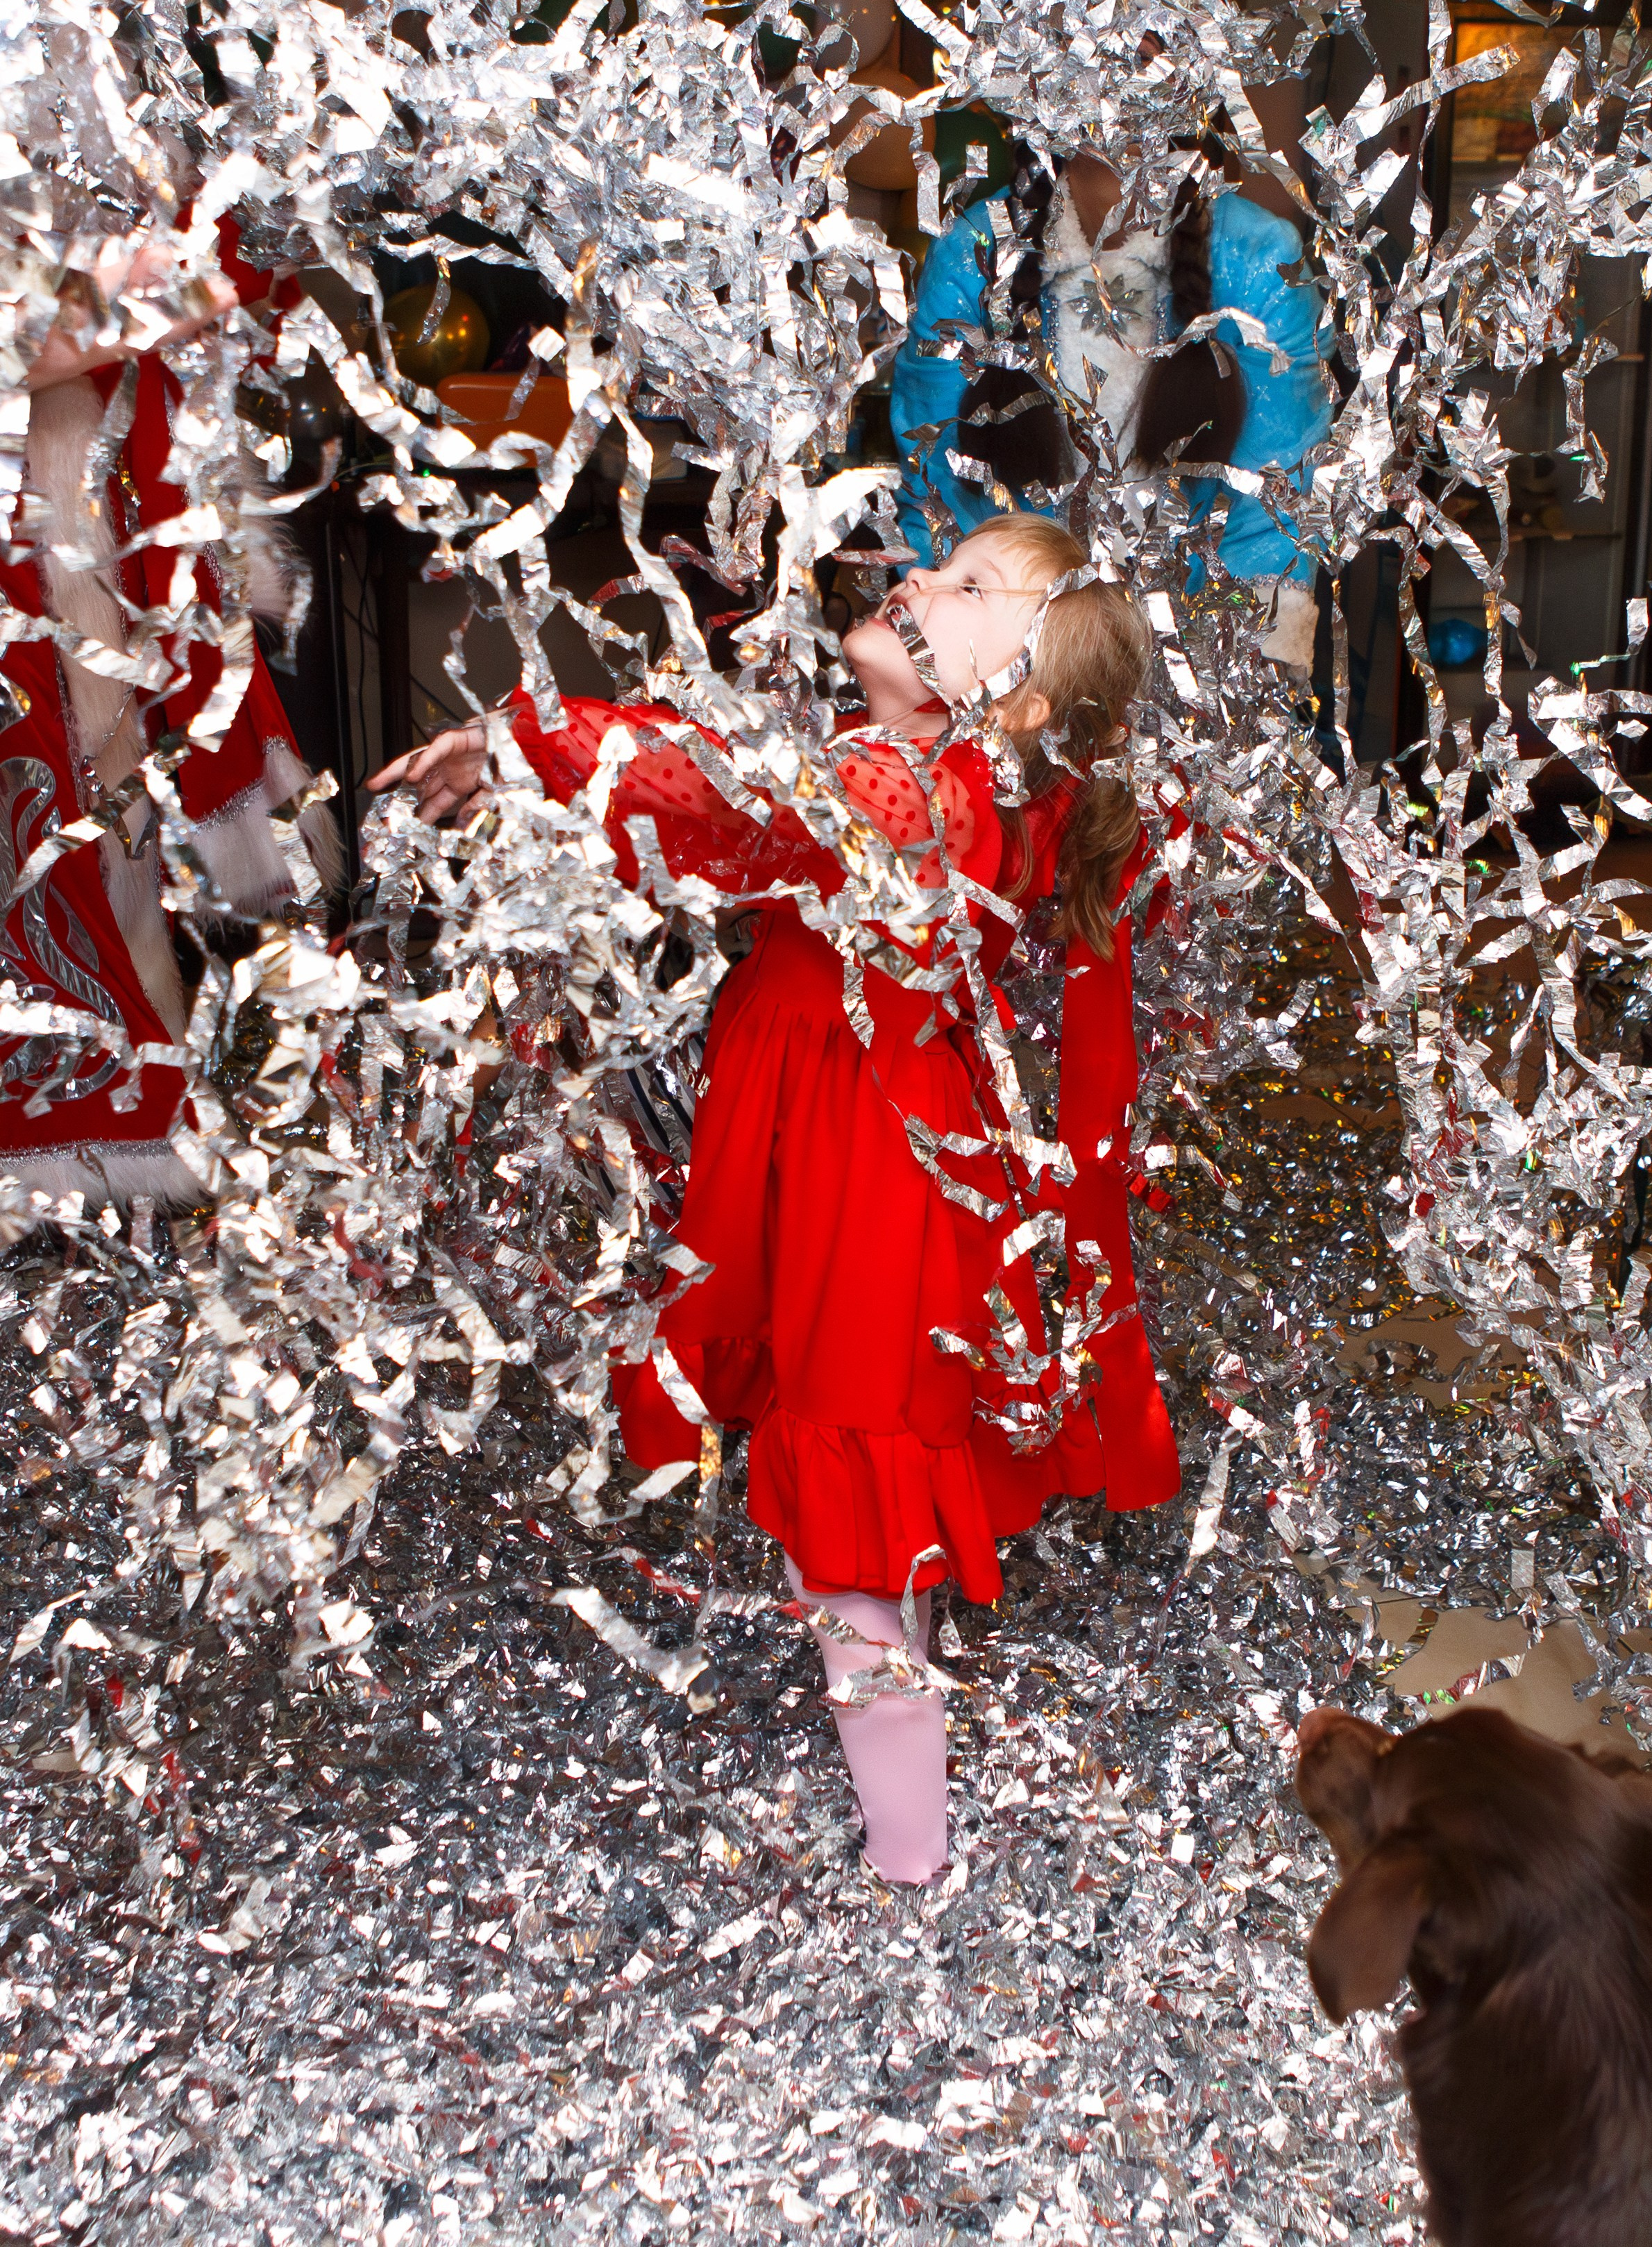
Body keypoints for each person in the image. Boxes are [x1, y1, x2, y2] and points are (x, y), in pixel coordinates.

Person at [371, 513, 1180, 1884]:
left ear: (1020, 702)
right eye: (940, 560)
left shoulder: (923, 796)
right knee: (858, 1481)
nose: (918, 578)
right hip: (834, 1152)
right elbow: (734, 815)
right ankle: (904, 1703)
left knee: (848, 1530)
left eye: (969, 587)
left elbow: (732, 791)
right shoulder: (919, 770)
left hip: (871, 1181)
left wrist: (538, 739)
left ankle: (909, 1858)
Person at [0, 216, 335, 1202]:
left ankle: (106, 1196)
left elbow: (248, 263)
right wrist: (118, 301)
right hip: (45, 541)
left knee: (105, 860)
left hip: (85, 537)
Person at [890, 138, 1334, 671]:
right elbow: (935, 482)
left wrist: (1233, 680)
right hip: (1009, 654)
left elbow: (1276, 502)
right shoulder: (972, 252)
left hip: (1196, 658)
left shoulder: (1259, 258)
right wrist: (971, 664)